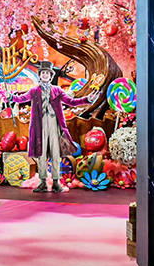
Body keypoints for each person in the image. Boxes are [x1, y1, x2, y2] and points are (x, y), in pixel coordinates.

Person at [9, 61, 97, 192]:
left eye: (47, 73)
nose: (45, 75)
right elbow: (22, 99)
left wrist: (87, 99)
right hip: (39, 125)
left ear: (51, 76)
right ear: (40, 75)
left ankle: (56, 181)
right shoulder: (34, 91)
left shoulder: (57, 90)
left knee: (56, 154)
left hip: (54, 123)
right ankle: (43, 182)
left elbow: (71, 101)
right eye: (43, 73)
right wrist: (11, 97)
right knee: (41, 154)